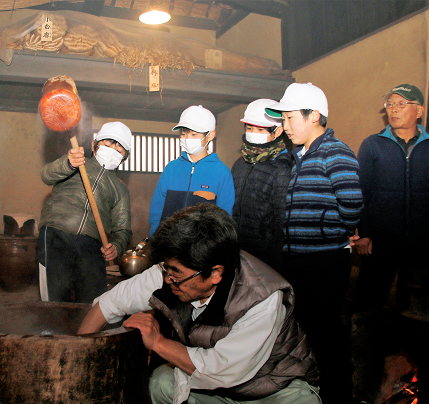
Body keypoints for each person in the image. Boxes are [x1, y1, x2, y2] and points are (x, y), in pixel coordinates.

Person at [79, 204, 321, 404]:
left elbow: (222, 369)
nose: (167, 279)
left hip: (272, 390)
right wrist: (78, 357)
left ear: (215, 273)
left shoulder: (262, 299)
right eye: (166, 269)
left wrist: (158, 342)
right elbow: (110, 303)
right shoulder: (175, 271)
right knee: (162, 383)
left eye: (175, 273)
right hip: (216, 389)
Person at [266, 82, 363, 404]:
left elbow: (352, 204)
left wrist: (330, 232)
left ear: (314, 116)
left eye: (291, 118)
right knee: (304, 330)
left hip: (324, 261)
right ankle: (312, 392)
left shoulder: (335, 152)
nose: (285, 126)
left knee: (326, 334)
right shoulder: (302, 156)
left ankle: (339, 395)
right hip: (299, 259)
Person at [352, 84, 428, 403]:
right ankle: (363, 373)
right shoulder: (373, 145)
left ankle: (408, 362)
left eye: (401, 103)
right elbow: (361, 192)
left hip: (422, 241)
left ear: (419, 110)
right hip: (380, 237)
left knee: (416, 308)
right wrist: (364, 232)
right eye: (389, 104)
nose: (394, 109)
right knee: (367, 303)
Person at [37, 121, 133, 303]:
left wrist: (117, 246)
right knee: (52, 300)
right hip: (56, 236)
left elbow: (123, 229)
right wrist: (67, 164)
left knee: (92, 304)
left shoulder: (121, 189)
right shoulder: (77, 163)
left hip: (91, 247)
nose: (113, 150)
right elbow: (46, 175)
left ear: (124, 158)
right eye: (108, 143)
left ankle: (85, 332)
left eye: (120, 149)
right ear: (94, 146)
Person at [148, 105, 235, 237]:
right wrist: (156, 236)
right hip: (170, 243)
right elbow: (157, 208)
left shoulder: (221, 172)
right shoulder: (171, 168)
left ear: (210, 135)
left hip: (203, 248)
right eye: (184, 133)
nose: (187, 138)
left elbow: (225, 216)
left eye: (194, 134)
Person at [231, 99, 292, 271]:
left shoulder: (282, 168)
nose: (252, 133)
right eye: (249, 128)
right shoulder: (240, 164)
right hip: (238, 250)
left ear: (278, 131)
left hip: (265, 255)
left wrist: (278, 262)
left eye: (259, 129)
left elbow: (282, 221)